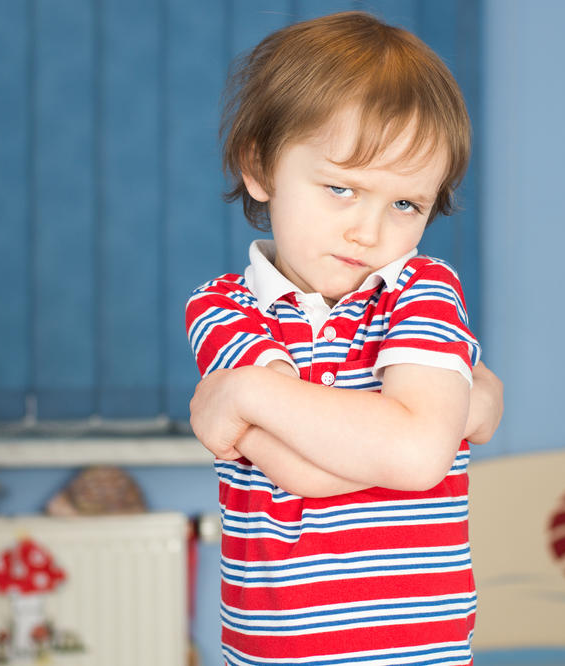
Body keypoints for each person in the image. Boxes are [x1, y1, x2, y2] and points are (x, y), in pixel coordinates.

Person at [184, 11, 504, 666]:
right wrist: (442, 416)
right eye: (341, 188)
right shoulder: (220, 307)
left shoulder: (424, 290)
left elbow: (415, 455)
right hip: (278, 653)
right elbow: (303, 471)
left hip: (420, 654)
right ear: (260, 165)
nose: (368, 230)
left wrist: (247, 393)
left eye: (405, 205)